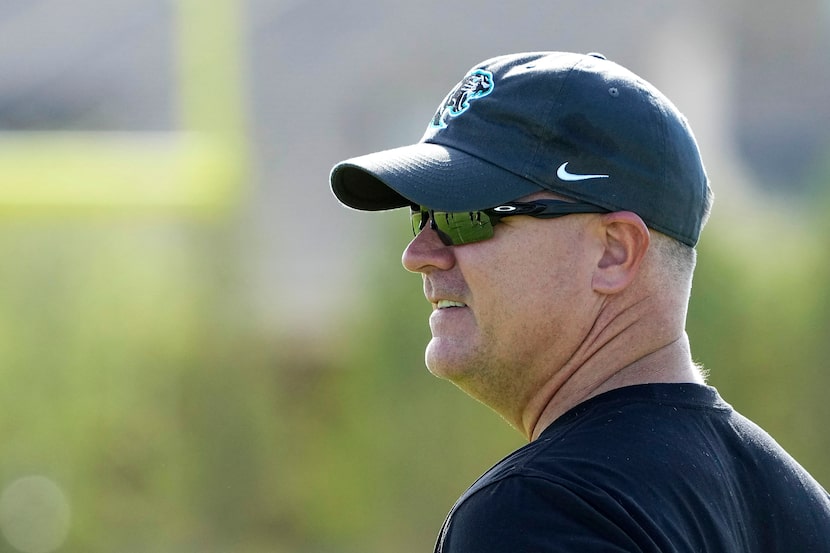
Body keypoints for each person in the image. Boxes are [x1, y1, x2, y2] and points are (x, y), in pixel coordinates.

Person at [329, 51, 830, 552]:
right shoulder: (804, 508)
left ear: (614, 252)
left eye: (466, 216)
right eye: (424, 216)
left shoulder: (538, 512)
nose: (419, 255)